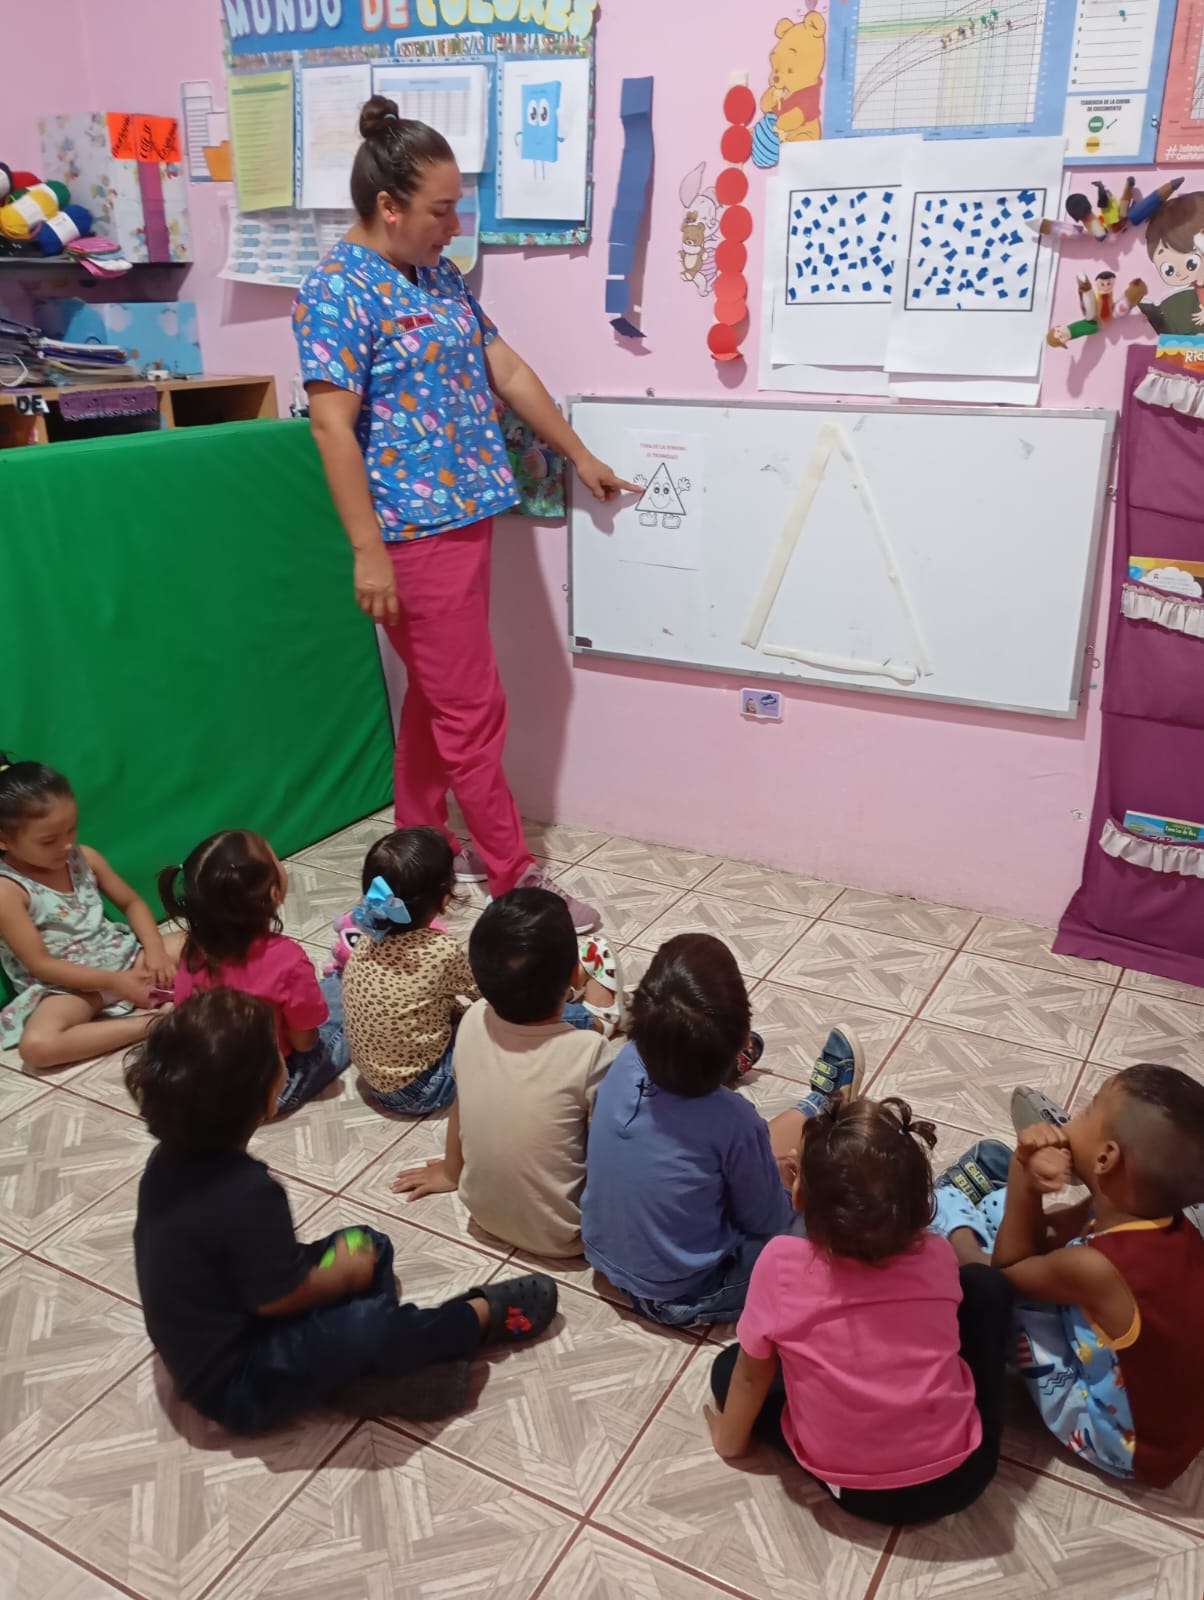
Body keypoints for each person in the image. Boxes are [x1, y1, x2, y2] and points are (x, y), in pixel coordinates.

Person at [294, 96, 638, 933]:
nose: (454, 228)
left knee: (437, 699)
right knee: (472, 708)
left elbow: (504, 368)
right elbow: (332, 427)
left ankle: (418, 849)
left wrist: (577, 452)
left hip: (464, 520)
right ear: (389, 206)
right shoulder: (336, 291)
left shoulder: (436, 274)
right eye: (441, 211)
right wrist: (367, 550)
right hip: (409, 537)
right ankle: (514, 876)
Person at [126, 989, 559, 1433]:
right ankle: (473, 1319)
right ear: (267, 1096)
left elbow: (246, 1268)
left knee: (367, 1243)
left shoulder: (167, 1160)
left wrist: (341, 1271)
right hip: (238, 1382)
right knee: (364, 1322)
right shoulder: (248, 1193)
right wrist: (342, 1277)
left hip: (239, 1308)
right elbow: (277, 1298)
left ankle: (366, 1366)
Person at [706, 1096, 1012, 1525]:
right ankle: (961, 1206)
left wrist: (729, 1443)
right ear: (923, 1206)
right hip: (963, 1477)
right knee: (987, 1287)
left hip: (857, 1494)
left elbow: (751, 1376)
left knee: (730, 1369)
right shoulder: (937, 1254)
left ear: (799, 1197)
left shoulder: (779, 1263)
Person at [933, 1067, 1204, 1489]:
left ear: (1105, 1158)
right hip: (1170, 1425)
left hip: (1124, 1444)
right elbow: (1053, 1237)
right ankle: (987, 1200)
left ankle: (951, 1216)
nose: (1071, 1117)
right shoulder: (1159, 1220)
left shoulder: (1096, 1268)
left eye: (1088, 1110)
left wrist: (1022, 1174)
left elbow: (1007, 1271)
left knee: (998, 1293)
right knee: (1046, 1228)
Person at [579, 934, 860, 1325]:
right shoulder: (735, 1120)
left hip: (603, 1258)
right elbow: (766, 1221)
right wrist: (788, 1186)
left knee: (731, 1150)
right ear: (739, 1040)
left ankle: (818, 1104)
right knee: (813, 1226)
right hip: (683, 1292)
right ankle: (825, 1106)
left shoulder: (623, 1061)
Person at [390, 888, 621, 1258]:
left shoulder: (473, 1019)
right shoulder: (589, 1052)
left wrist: (451, 1172)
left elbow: (461, 1106)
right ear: (574, 975)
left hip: (482, 1213)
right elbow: (612, 1146)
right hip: (568, 1234)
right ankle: (608, 1007)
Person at [0, 754, 179, 1069]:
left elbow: (132, 903)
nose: (66, 845)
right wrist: (114, 983)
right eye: (49, 840)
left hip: (126, 959)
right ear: (4, 841)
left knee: (196, 942)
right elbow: (41, 965)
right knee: (38, 1046)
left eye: (71, 830)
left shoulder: (85, 858)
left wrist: (154, 951)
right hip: (69, 990)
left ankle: (204, 990)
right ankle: (154, 1024)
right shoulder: (8, 891)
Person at [161, 829, 348, 1116]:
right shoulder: (287, 959)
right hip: (269, 1088)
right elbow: (304, 1043)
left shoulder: (193, 950)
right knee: (350, 998)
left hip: (209, 1081)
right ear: (274, 891)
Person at [341, 827, 478, 1114]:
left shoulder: (369, 936)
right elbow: (484, 992)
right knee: (499, 1031)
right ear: (445, 899)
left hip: (375, 1080)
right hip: (420, 1089)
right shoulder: (439, 949)